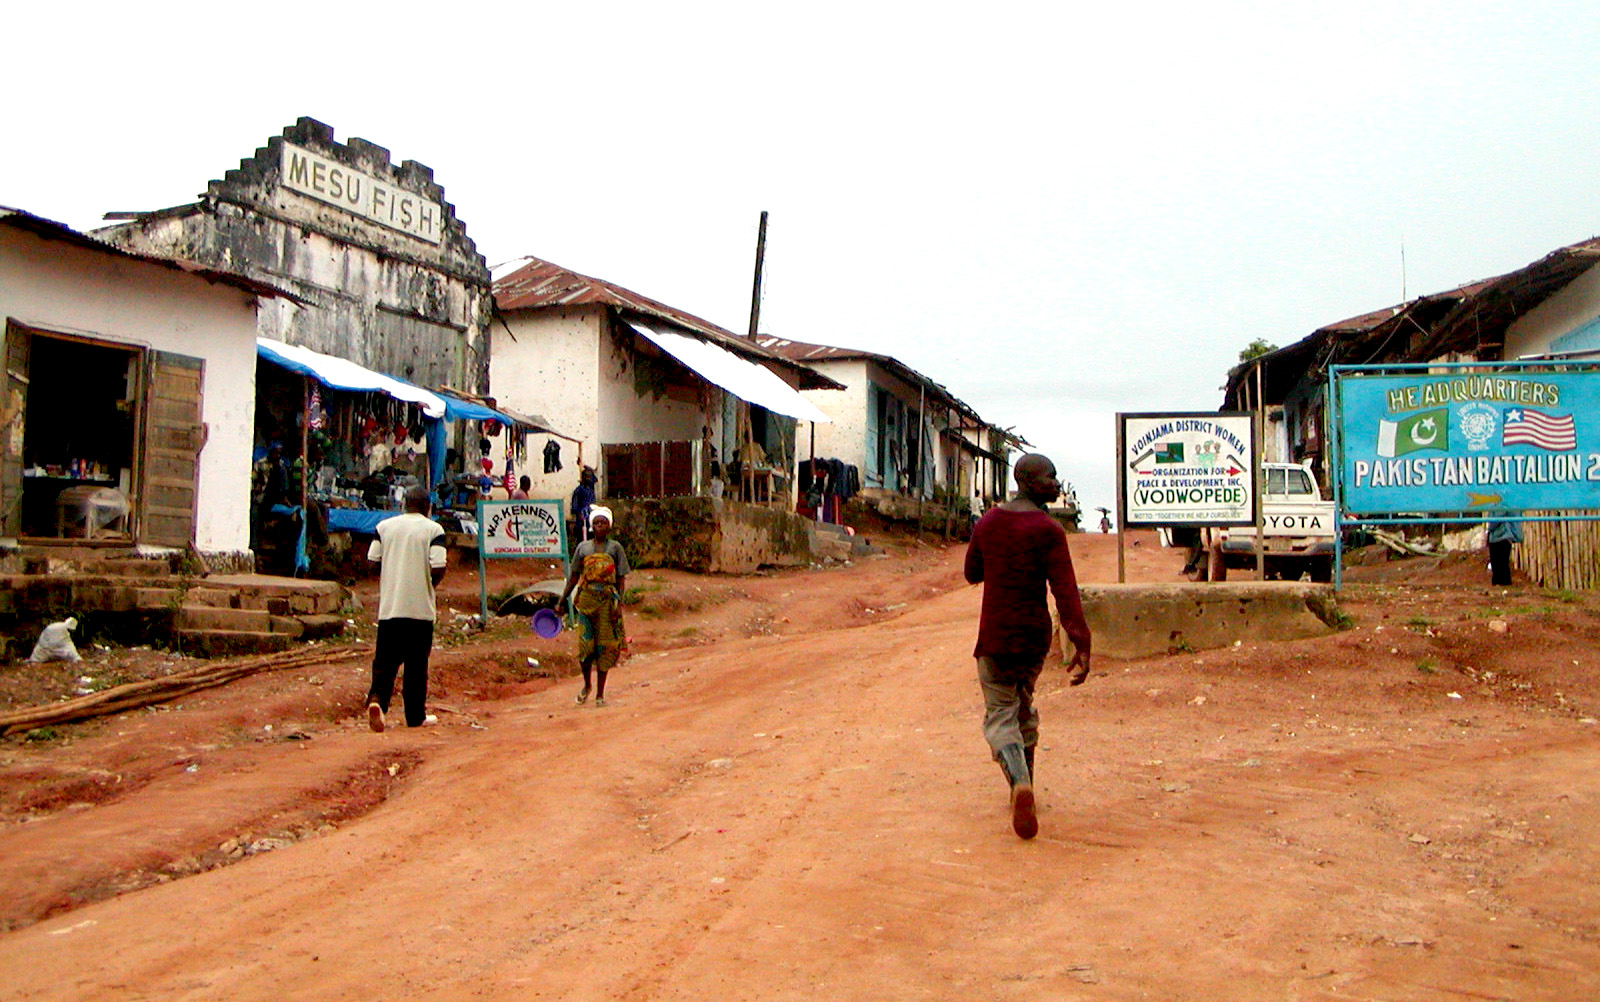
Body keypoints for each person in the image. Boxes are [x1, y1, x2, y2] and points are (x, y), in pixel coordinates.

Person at [963, 453, 1091, 840]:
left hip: (995, 638)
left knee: (1001, 713)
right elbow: (1065, 592)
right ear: (1030, 482)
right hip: (1034, 639)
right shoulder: (1049, 530)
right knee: (1023, 706)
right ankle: (1026, 786)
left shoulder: (988, 523)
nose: (1056, 483)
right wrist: (1081, 641)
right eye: (1050, 477)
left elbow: (972, 573)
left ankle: (1019, 784)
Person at [365, 486, 448, 731]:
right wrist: (428, 585)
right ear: (427, 507)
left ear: (405, 504)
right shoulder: (434, 529)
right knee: (416, 665)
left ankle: (378, 701)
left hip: (390, 608)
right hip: (420, 610)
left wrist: (392, 576)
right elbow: (438, 565)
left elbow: (372, 562)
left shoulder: (384, 527)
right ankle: (415, 716)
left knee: (385, 663)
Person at [560, 505, 630, 707]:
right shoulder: (583, 548)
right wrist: (562, 600)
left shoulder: (615, 548)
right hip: (586, 601)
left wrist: (619, 606)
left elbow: (620, 579)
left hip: (607, 603)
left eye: (603, 522)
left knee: (604, 648)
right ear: (592, 526)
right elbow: (574, 576)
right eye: (596, 522)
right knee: (585, 648)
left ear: (609, 526)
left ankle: (600, 694)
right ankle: (586, 685)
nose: (599, 526)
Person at [1487, 519, 1522, 587]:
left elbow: (1496, 519)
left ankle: (1500, 584)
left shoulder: (1498, 509)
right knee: (1503, 564)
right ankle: (1504, 584)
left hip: (1499, 536)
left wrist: (1490, 528)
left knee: (1498, 565)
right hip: (1504, 536)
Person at [570, 466, 597, 544]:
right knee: (582, 541)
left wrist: (590, 469)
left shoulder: (591, 489)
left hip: (591, 519)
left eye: (590, 476)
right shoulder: (579, 490)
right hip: (582, 520)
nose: (589, 478)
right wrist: (579, 515)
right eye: (587, 476)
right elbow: (574, 506)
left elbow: (596, 480)